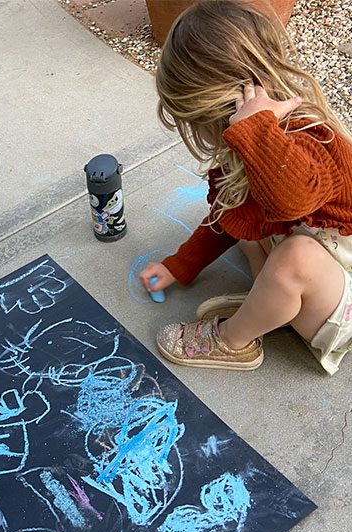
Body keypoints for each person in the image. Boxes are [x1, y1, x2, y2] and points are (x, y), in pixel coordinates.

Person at [139, 0, 352, 374]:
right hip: (325, 261)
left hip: (344, 291)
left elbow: (292, 200)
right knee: (248, 228)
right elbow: (228, 215)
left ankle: (233, 342)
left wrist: (255, 132)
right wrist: (181, 264)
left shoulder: (312, 138)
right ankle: (269, 305)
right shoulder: (251, 146)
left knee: (296, 258)